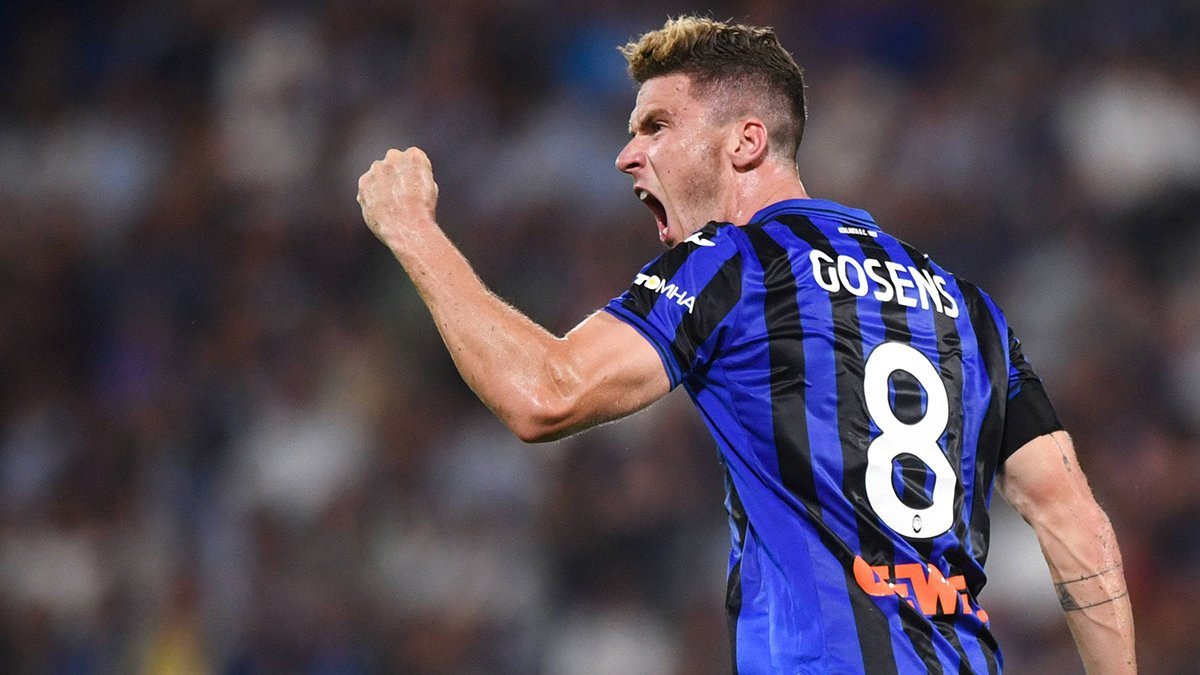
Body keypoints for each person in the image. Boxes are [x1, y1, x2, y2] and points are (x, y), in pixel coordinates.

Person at [356, 15, 1136, 674]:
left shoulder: (734, 263)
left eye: (656, 126)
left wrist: (412, 231)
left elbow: (544, 395)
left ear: (745, 142)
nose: (627, 155)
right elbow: (1076, 524)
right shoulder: (968, 307)